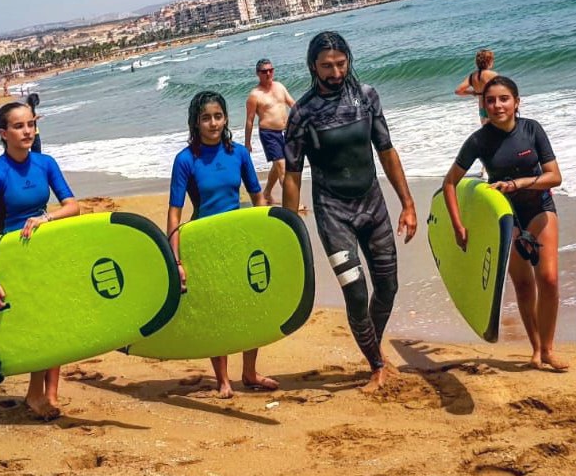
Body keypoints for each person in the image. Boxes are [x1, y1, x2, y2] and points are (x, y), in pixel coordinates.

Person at [283, 31, 418, 392]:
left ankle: (372, 348)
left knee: (388, 286)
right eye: (327, 66)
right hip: (333, 212)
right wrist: (290, 225)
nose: (335, 72)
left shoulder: (367, 97)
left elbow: (387, 151)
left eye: (341, 64)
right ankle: (376, 363)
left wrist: (407, 203)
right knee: (356, 292)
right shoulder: (302, 113)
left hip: (372, 206)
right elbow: (292, 175)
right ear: (313, 66)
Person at [441, 76, 568, 372]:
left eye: (503, 99)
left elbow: (555, 176)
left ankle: (548, 350)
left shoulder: (531, 130)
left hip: (539, 208)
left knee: (547, 280)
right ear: (484, 106)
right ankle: (536, 350)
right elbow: (450, 183)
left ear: (516, 102)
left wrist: (520, 183)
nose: (497, 105)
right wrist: (458, 226)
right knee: (523, 285)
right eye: (490, 100)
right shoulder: (479, 140)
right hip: (505, 216)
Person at [0, 101, 80, 420]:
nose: (27, 130)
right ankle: (35, 394)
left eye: (30, 124)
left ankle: (51, 394)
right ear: (3, 133)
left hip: (46, 253)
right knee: (40, 325)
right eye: (18, 126)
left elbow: (73, 206)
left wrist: (46, 218)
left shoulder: (46, 164)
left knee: (56, 322)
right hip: (15, 260)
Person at [168, 90, 277, 398]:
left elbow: (257, 196)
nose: (213, 123)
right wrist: (176, 260)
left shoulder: (239, 154)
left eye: (218, 116)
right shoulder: (186, 160)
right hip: (205, 243)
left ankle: (250, 372)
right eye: (206, 118)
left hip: (239, 240)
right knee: (217, 311)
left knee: (251, 306)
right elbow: (175, 212)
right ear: (196, 122)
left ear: (226, 118)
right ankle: (223, 380)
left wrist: (265, 235)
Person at [243, 58, 297, 204]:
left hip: (286, 131)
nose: (268, 73)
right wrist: (247, 143)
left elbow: (292, 104)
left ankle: (266, 192)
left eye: (270, 70)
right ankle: (291, 204)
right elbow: (249, 120)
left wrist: (308, 117)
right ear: (258, 73)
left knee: (277, 165)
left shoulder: (279, 86)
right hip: (269, 134)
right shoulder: (255, 95)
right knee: (282, 167)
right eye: (264, 71)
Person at [454, 48, 499, 125]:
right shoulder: (493, 74)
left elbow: (458, 91)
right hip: (493, 107)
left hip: (482, 110)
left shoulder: (472, 76)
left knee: (487, 134)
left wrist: (472, 92)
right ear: (489, 61)